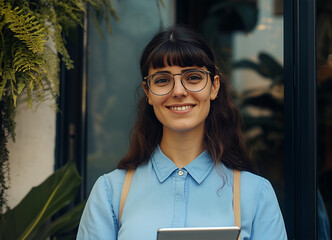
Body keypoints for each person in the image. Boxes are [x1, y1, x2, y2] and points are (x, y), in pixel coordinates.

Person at [76, 25, 287, 240]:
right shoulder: (110, 192)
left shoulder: (255, 194)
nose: (178, 91)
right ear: (148, 92)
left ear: (214, 87)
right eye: (162, 80)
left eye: (193, 77)